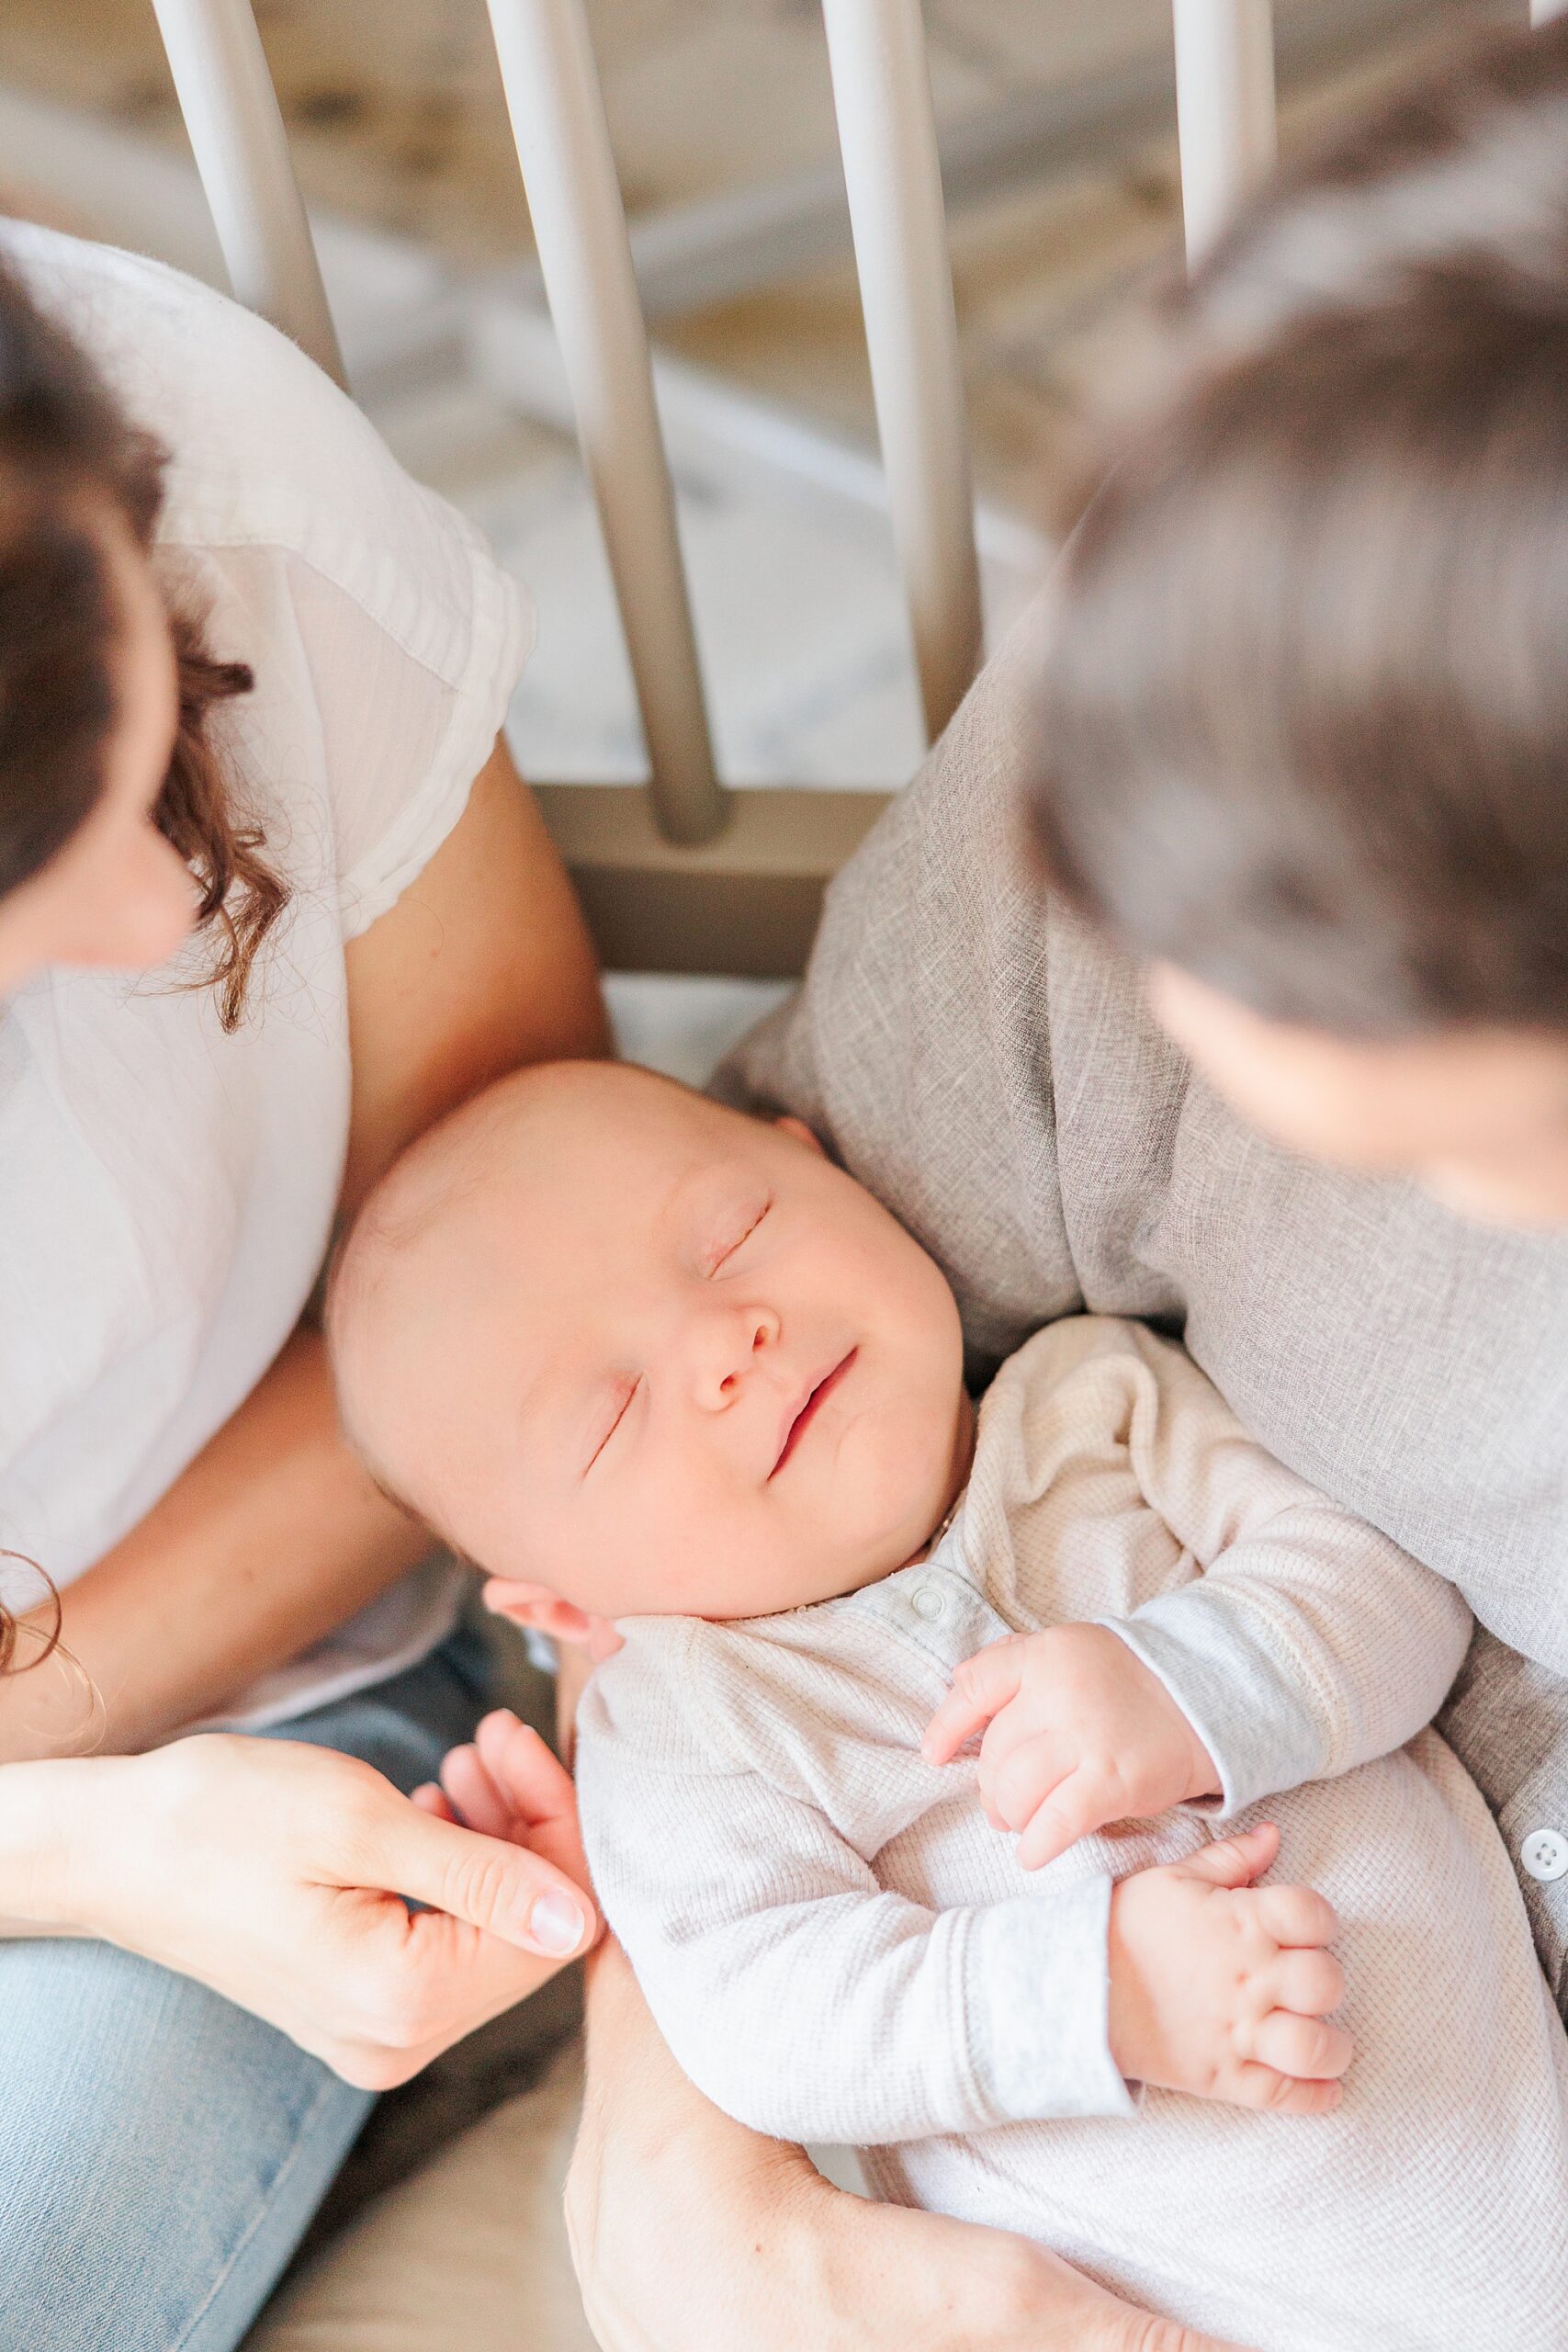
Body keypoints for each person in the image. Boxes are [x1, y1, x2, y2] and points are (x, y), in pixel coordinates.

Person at [542, 21, 1568, 2352]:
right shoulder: (1236, 630)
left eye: (1411, 1131)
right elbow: (687, 1448)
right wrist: (692, 2167)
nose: (1191, 1045)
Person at [325, 1056, 1568, 2348]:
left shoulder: (1100, 1404)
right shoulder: (690, 1731)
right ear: (565, 1611)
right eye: (612, 1416)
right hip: (1208, 2303)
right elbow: (765, 2011)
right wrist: (1092, 1993)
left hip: (1517, 2142)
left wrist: (1184, 1686)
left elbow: (1386, 1585)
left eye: (734, 1235)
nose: (721, 1344)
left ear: (816, 1160)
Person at [0, 222, 606, 2351]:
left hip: (254, 1672)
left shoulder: (205, 462)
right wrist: (63, 1848)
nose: (171, 900)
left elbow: (498, 1269)